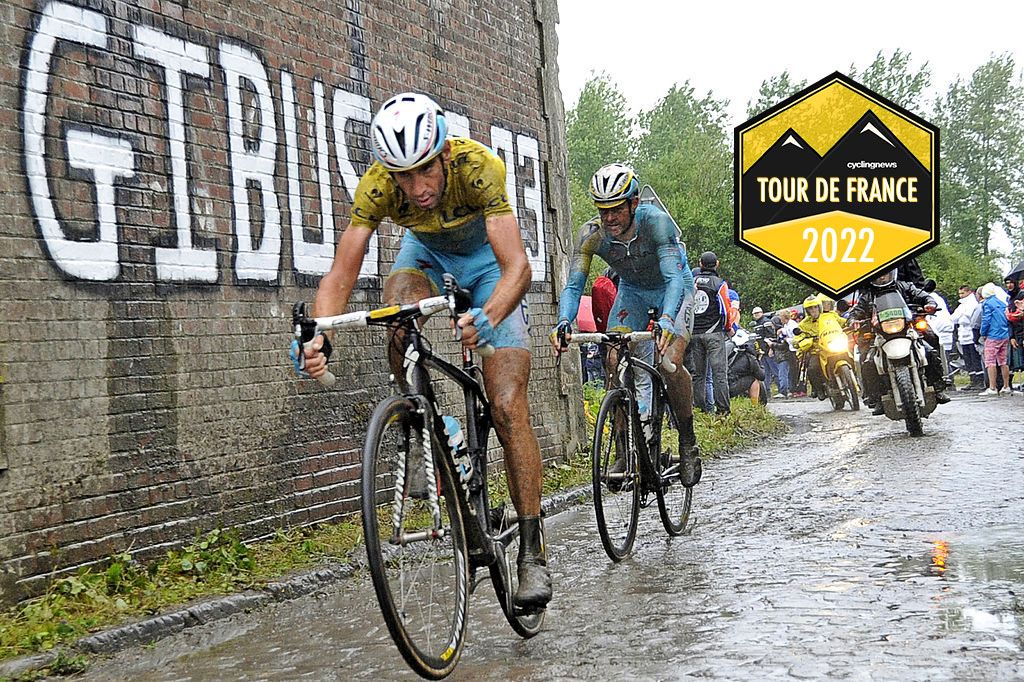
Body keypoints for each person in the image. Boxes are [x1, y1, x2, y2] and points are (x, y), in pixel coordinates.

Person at [296, 93, 550, 609]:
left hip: (489, 270)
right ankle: (428, 426)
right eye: (403, 177)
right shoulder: (378, 185)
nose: (417, 189)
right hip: (426, 256)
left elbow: (517, 267)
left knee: (506, 404)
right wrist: (320, 334)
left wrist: (490, 315)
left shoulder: (479, 167)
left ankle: (531, 551)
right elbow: (342, 272)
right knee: (397, 310)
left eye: (425, 172)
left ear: (445, 155)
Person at [551, 163, 702, 486]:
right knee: (614, 361)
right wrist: (564, 320)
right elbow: (573, 285)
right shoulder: (591, 236)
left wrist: (664, 320)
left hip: (674, 289)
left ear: (634, 203)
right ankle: (623, 449)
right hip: (632, 292)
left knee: (668, 362)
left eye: (616, 209)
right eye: (603, 211)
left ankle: (688, 441)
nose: (609, 218)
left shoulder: (656, 224)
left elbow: (675, 278)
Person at [848, 268, 950, 414]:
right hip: (880, 332)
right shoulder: (867, 295)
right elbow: (856, 311)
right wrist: (853, 320)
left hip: (906, 326)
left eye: (885, 273)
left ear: (892, 273)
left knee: (930, 345)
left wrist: (929, 303)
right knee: (867, 360)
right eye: (878, 275)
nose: (882, 277)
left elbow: (922, 295)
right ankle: (875, 397)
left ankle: (938, 386)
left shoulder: (904, 286)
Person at [685, 252, 733, 415]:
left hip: (694, 333)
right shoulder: (720, 284)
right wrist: (728, 328)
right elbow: (726, 310)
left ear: (700, 264)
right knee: (719, 374)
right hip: (714, 333)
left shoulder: (692, 282)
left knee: (698, 375)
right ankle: (723, 411)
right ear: (717, 264)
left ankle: (700, 410)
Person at [979, 283, 1013, 397]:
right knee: (1003, 361)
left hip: (992, 335)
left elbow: (986, 319)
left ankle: (992, 387)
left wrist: (983, 333)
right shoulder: (1001, 302)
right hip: (1004, 334)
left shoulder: (987, 303)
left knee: (990, 361)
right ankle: (1006, 386)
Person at [951, 285, 984, 390]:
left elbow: (969, 317)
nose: (961, 296)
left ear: (969, 292)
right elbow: (954, 318)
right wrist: (962, 317)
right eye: (959, 293)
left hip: (970, 334)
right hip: (963, 335)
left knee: (975, 359)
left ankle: (979, 380)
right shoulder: (962, 305)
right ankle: (973, 379)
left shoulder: (973, 303)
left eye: (963, 293)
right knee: (968, 359)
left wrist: (962, 317)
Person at [727, 329, 766, 403]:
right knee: (754, 380)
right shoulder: (749, 357)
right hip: (731, 385)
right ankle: (755, 406)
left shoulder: (731, 350)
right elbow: (761, 376)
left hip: (723, 384)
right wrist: (759, 360)